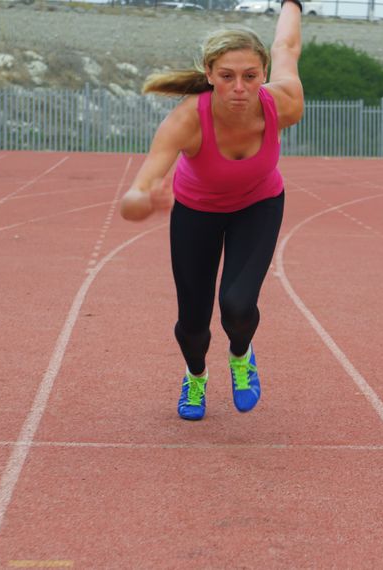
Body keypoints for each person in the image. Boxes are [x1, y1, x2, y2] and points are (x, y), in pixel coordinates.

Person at [120, 0, 304, 421]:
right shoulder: (187, 119)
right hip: (196, 213)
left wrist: (292, 3)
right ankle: (196, 375)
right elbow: (140, 187)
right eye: (226, 77)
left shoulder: (285, 104)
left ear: (262, 76)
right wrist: (140, 200)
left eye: (250, 76)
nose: (239, 87)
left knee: (238, 306)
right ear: (209, 75)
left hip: (258, 207)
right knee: (193, 325)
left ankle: (241, 356)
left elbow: (286, 47)